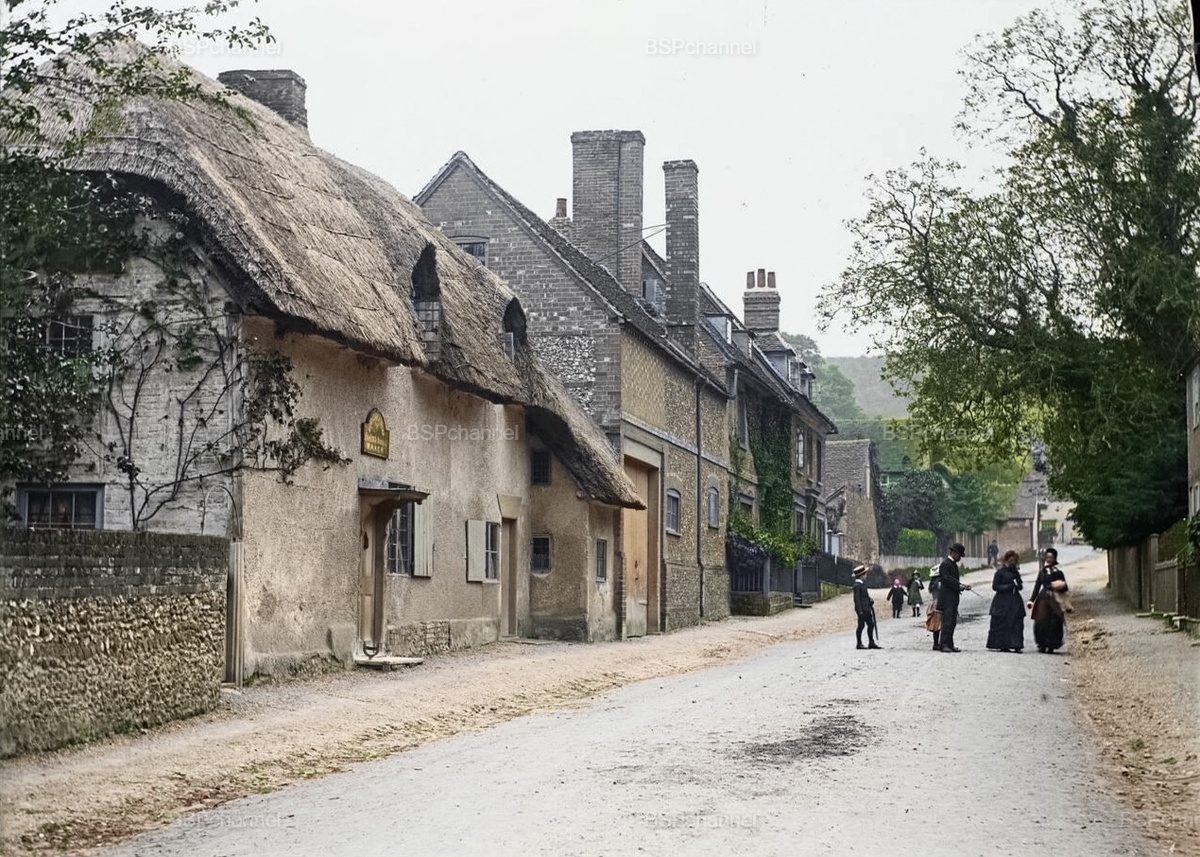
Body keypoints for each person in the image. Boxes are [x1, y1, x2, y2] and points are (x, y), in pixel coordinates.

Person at [1028, 547, 1069, 653]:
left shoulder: (1058, 572)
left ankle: (1052, 644)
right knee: (1041, 620)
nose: (1049, 559)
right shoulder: (1042, 572)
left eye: (1051, 557)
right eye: (1047, 557)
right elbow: (1037, 586)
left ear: (1055, 558)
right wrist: (1031, 600)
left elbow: (1065, 587)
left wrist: (1059, 585)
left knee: (1055, 621)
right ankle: (1041, 644)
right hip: (1043, 598)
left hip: (1055, 599)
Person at [986, 550, 1024, 653]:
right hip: (1002, 601)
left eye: (1014, 561)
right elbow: (995, 586)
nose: (1013, 562)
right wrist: (1008, 586)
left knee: (1016, 622)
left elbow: (1020, 586)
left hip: (1015, 601)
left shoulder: (1016, 573)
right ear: (1006, 561)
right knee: (1002, 623)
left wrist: (1018, 585)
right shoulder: (1000, 572)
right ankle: (1003, 644)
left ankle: (1016, 644)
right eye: (1011, 560)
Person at [935, 543, 971, 652]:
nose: (960, 558)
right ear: (954, 553)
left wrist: (962, 586)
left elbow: (953, 581)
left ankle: (950, 644)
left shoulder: (953, 564)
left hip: (953, 598)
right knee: (947, 622)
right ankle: (944, 644)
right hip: (946, 599)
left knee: (952, 622)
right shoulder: (945, 564)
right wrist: (959, 586)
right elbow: (946, 580)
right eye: (959, 555)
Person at [852, 565, 881, 650]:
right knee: (861, 626)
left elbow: (865, 596)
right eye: (865, 574)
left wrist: (870, 600)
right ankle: (859, 643)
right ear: (862, 575)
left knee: (871, 625)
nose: (866, 576)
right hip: (862, 610)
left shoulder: (863, 584)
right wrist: (859, 611)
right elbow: (857, 599)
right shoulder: (857, 586)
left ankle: (871, 642)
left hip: (867, 608)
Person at [927, 565, 942, 650]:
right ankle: (938, 643)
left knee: (936, 626)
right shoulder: (939, 583)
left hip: (934, 604)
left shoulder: (932, 583)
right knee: (940, 625)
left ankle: (936, 643)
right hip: (939, 604)